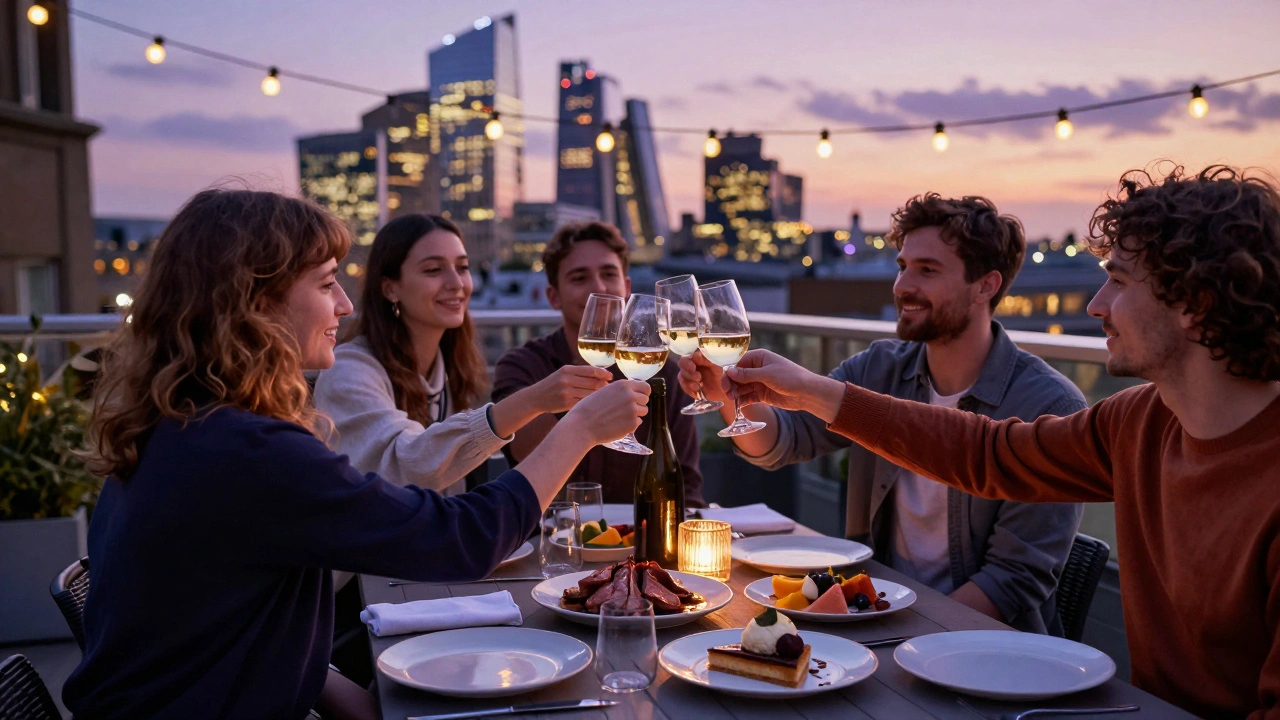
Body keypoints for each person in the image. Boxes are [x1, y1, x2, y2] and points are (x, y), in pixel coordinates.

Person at [719, 165, 1280, 720]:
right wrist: (815, 391)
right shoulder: (1137, 422)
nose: (1095, 305)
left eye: (1120, 280)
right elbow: (987, 455)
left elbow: (1014, 568)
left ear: (1196, 304)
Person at [63, 189, 648, 720]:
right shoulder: (244, 451)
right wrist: (576, 431)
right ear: (252, 303)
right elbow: (461, 538)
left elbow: (238, 625)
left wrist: (363, 708)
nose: (344, 304)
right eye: (325, 283)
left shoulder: (184, 428)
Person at [679, 194, 1084, 633]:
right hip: (875, 617)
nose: (903, 286)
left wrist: (904, 633)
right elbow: (783, 443)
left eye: (927, 270)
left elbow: (1012, 580)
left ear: (986, 285)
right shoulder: (880, 367)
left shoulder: (1051, 407)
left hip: (982, 650)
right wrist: (724, 394)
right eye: (902, 266)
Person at [314, 214, 612, 497]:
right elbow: (404, 464)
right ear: (390, 288)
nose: (456, 283)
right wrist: (533, 400)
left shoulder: (448, 369)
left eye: (463, 267)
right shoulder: (349, 370)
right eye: (433, 270)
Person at [493, 221, 706, 507]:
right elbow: (526, 455)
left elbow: (685, 485)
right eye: (579, 278)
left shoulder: (662, 372)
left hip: (638, 544)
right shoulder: (523, 367)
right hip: (550, 542)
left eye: (609, 274)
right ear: (554, 297)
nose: (599, 288)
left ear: (626, 288)